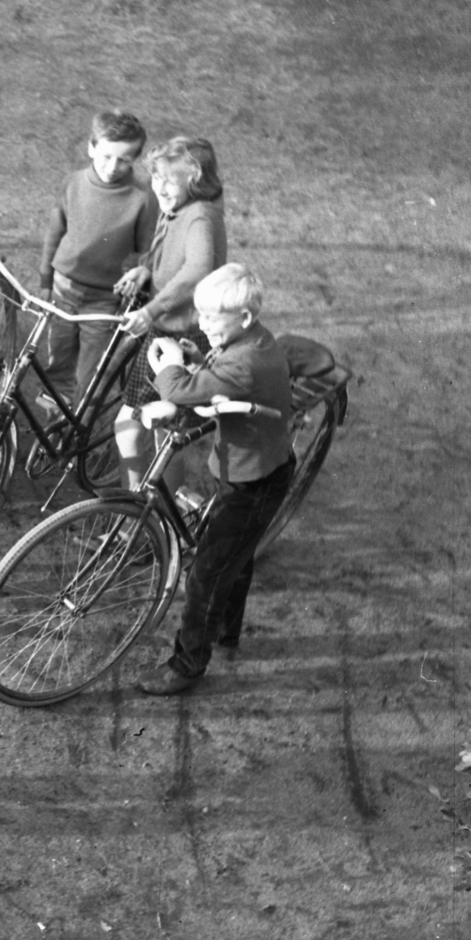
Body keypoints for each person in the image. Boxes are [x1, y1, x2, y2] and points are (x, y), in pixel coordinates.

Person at [136, 263, 294, 696]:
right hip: (250, 471)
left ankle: (186, 666)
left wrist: (170, 366)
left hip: (253, 482)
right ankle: (227, 631)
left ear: (243, 317)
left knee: (206, 573)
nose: (204, 325)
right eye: (200, 315)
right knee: (234, 555)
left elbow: (182, 391)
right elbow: (216, 372)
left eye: (212, 318)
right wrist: (194, 357)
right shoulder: (252, 339)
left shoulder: (248, 362)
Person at [111, 136, 228, 489]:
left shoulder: (201, 218)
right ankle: (138, 513)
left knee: (164, 437)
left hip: (184, 336)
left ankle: (156, 521)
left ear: (194, 182)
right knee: (134, 428)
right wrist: (146, 268)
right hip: (164, 332)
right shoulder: (178, 208)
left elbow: (198, 269)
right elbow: (167, 250)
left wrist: (152, 309)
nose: (158, 187)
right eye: (155, 177)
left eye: (169, 180)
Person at [36, 110, 157, 411]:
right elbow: (55, 232)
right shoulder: (73, 182)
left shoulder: (142, 198)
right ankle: (56, 413)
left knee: (91, 371)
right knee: (59, 357)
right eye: (105, 156)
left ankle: (79, 427)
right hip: (64, 289)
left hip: (105, 300)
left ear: (136, 159)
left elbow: (146, 253)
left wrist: (137, 273)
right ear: (91, 147)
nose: (113, 167)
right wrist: (45, 281)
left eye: (124, 159)